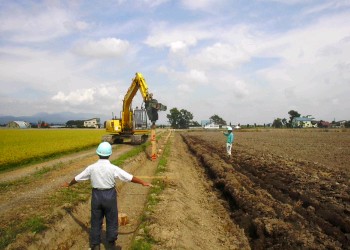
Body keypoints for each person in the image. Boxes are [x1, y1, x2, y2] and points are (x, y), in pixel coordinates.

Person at [63, 142, 151, 250]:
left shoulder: (91, 168)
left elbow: (77, 178)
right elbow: (129, 177)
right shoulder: (113, 168)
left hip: (96, 195)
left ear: (98, 153)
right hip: (109, 196)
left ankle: (95, 244)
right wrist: (142, 182)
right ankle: (111, 242)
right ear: (110, 154)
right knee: (112, 219)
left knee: (95, 220)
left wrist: (69, 184)